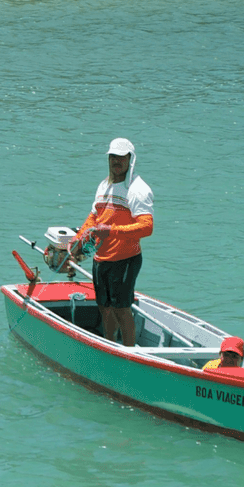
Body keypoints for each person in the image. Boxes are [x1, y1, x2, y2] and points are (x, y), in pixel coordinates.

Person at [74, 138, 154, 346]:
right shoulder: (103, 185)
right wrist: (77, 241)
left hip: (125, 259)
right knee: (104, 307)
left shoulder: (138, 189)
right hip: (101, 258)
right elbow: (93, 217)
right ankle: (109, 343)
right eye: (113, 157)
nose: (116, 161)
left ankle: (128, 351)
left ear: (130, 160)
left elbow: (147, 227)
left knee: (121, 309)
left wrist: (112, 231)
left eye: (121, 157)